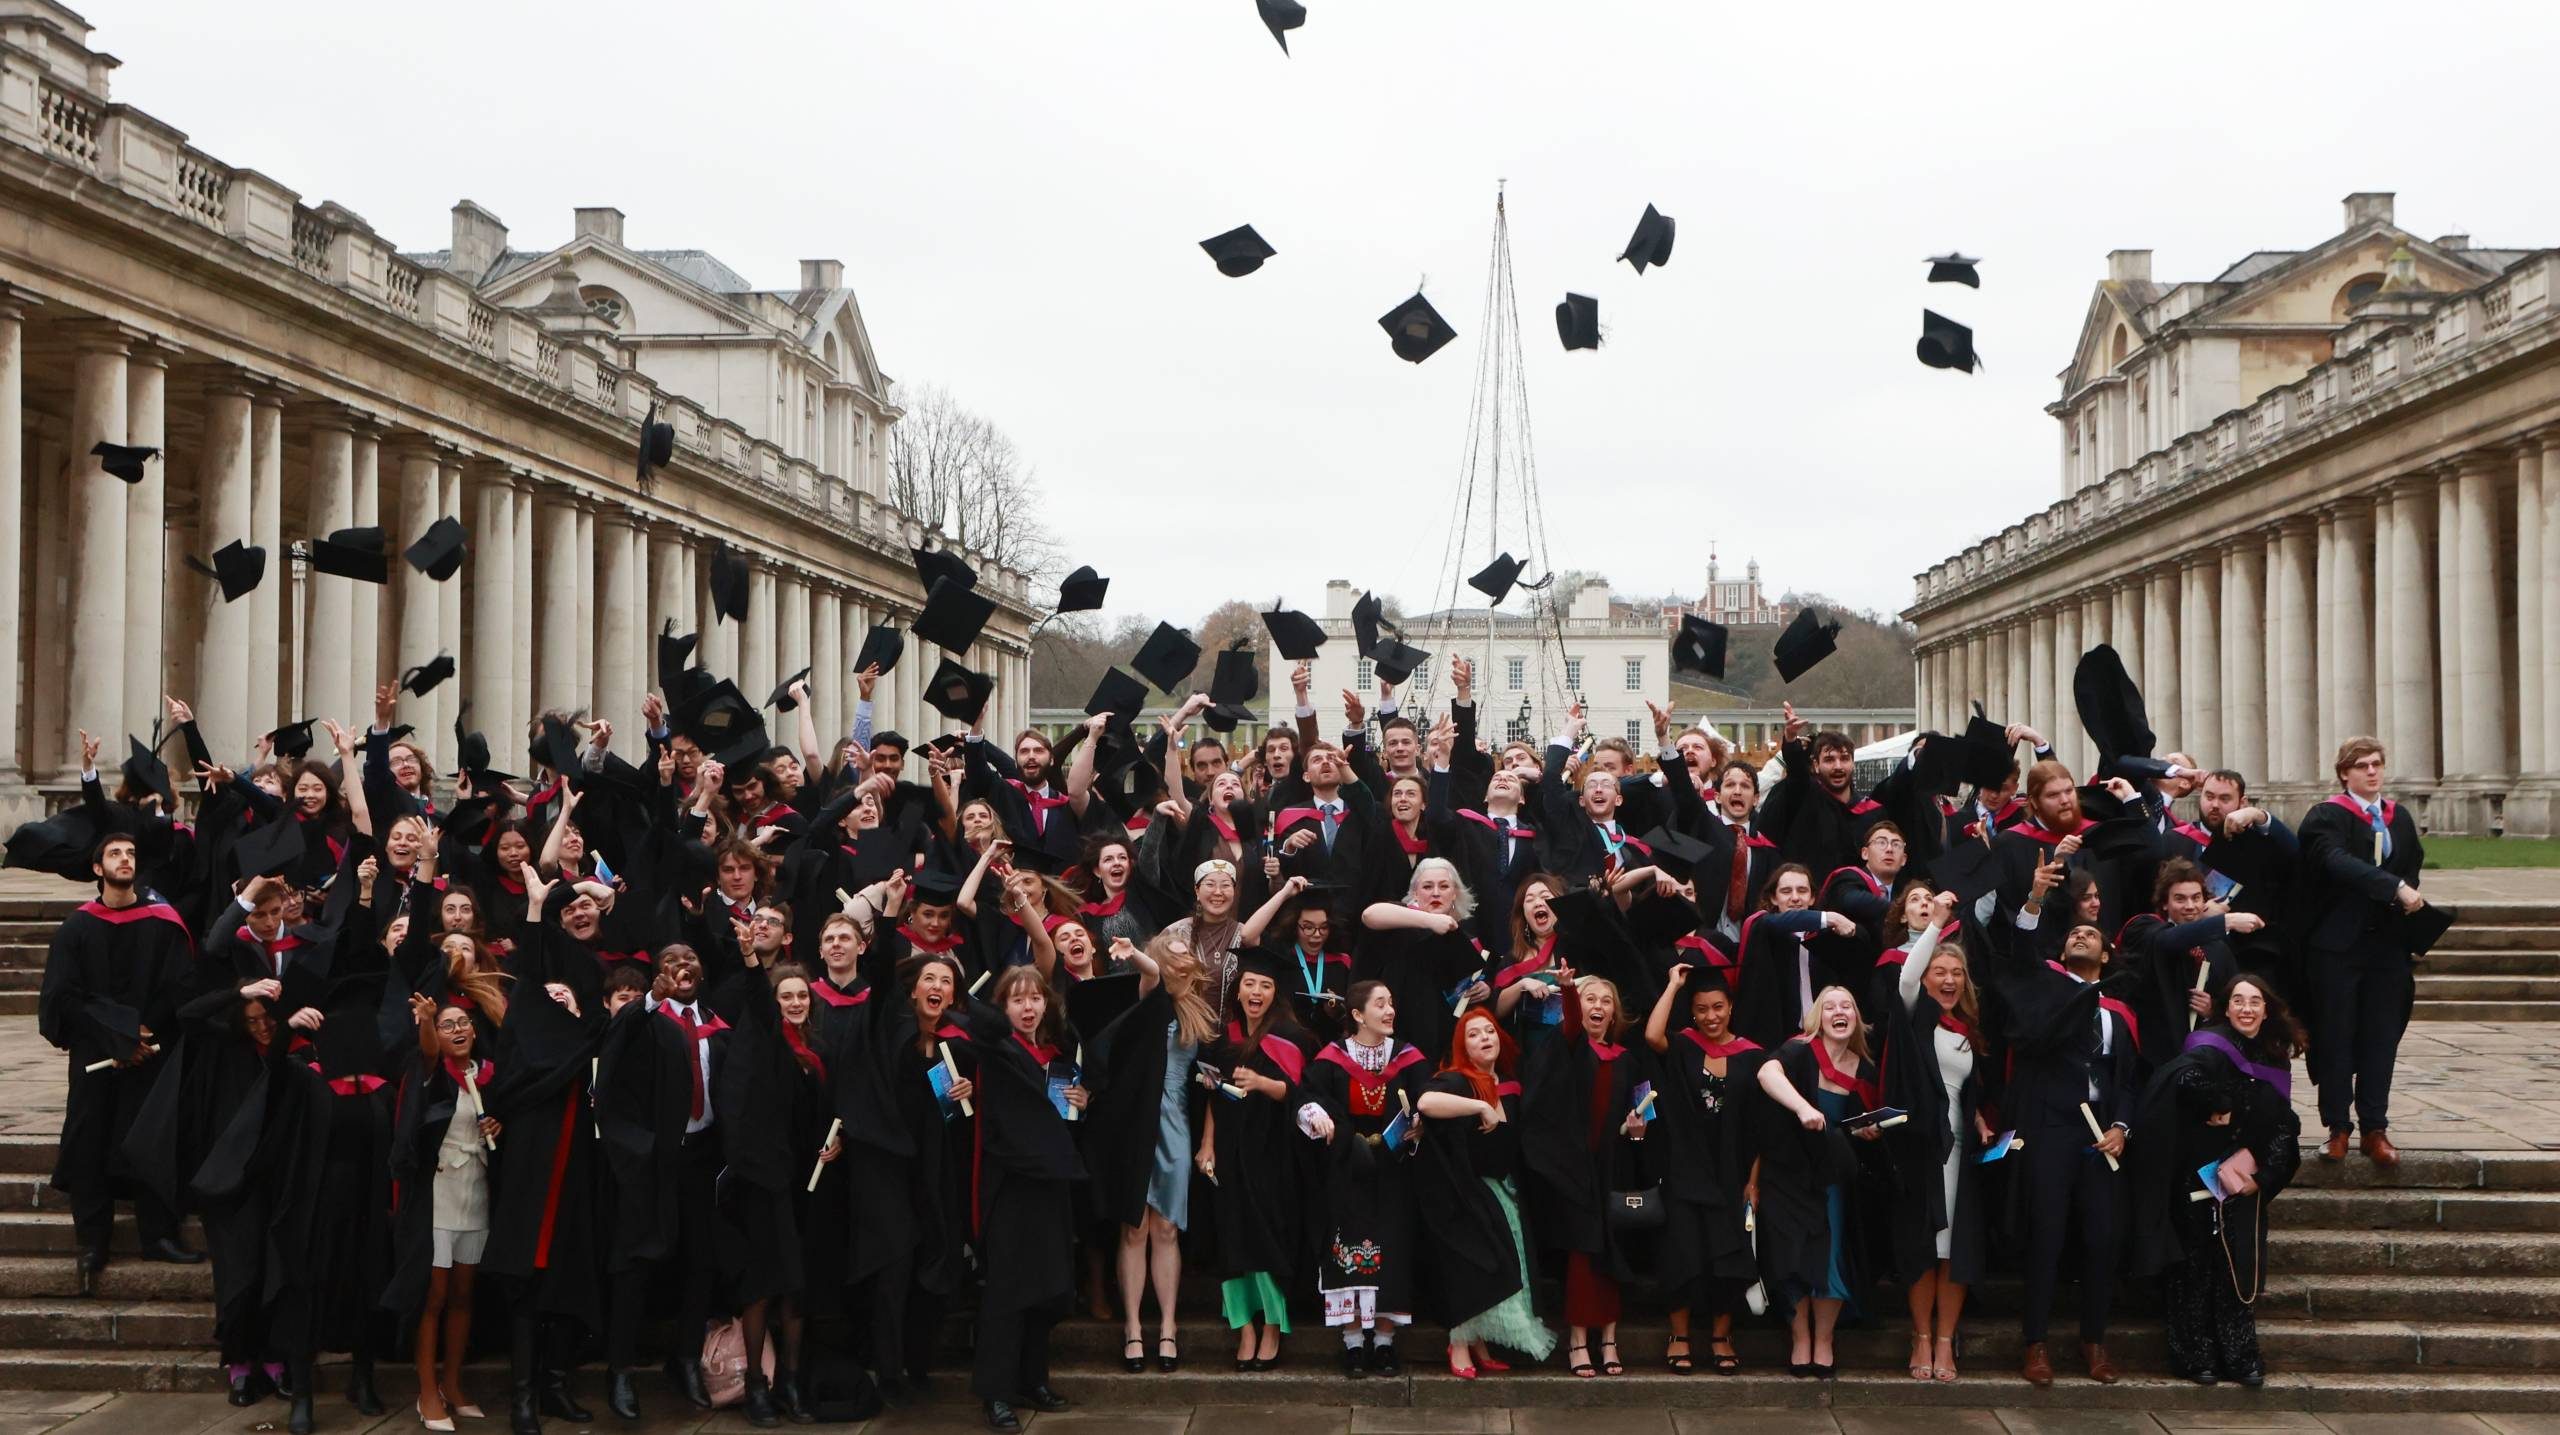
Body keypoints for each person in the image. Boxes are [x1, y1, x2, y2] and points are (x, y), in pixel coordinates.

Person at [2128, 973, 2305, 1388]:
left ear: (2266, 1009)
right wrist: (2221, 1101)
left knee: (2235, 1270)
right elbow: (2183, 1080)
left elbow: (2284, 1124)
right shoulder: (2208, 1046)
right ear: (2226, 1008)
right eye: (2238, 1001)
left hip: (2243, 1182)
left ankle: (2241, 1355)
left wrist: (2265, 1176)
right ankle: (2195, 1354)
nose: (2246, 1009)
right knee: (2194, 1269)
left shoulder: (2275, 1057)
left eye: (2254, 1002)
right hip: (2198, 1175)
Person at [39, 832, 199, 1272]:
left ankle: (160, 1235)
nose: (125, 859)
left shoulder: (164, 923)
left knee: (153, 1142)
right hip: (97, 1057)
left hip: (152, 1053)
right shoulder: (77, 928)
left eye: (130, 853)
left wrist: (142, 1035)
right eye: (114, 854)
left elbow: (180, 987)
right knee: (89, 1143)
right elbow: (62, 998)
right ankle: (92, 1242)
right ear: (97, 869)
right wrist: (120, 1036)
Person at [1998, 917, 2140, 1387]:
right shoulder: (2047, 996)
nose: (2080, 935)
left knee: (2102, 1237)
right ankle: (2035, 1343)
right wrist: (2036, 903)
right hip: (2052, 1129)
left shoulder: (2118, 1014)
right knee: (2047, 1234)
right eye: (2072, 932)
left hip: (2102, 1136)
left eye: (2092, 935)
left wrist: (2122, 1126)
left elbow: (2127, 1078)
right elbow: (2018, 958)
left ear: (2105, 957)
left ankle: (2094, 1341)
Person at [956, 965, 1087, 1432]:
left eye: (1035, 999)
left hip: (1049, 1186)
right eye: (1018, 1000)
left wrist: (1081, 1102)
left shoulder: (1056, 1057)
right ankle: (995, 1395)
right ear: (1003, 1007)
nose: (1029, 1007)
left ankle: (1033, 1380)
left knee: (1047, 1289)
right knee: (1008, 1294)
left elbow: (1062, 1121)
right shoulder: (993, 1051)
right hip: (1010, 1188)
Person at [1087, 931, 1218, 1375]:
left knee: (1167, 1229)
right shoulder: (1149, 1001)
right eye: (1174, 956)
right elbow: (1150, 974)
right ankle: (1131, 1329)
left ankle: (1167, 1326)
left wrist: (1207, 1142)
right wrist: (1138, 954)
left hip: (1177, 1127)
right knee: (1133, 1229)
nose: (1182, 964)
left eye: (1187, 956)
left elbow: (1208, 1086)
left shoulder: (1199, 1013)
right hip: (1134, 1127)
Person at [2295, 736, 2427, 1167]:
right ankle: (2337, 1128)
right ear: (2344, 773)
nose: (2372, 772)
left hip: (2386, 949)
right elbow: (2333, 861)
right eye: (2362, 765)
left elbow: (2412, 867)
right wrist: (2393, 887)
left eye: (2377, 764)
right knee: (2335, 1037)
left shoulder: (2399, 818)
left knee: (2380, 1038)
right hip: (2336, 947)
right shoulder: (2326, 816)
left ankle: (2375, 1128)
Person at [1412, 1006, 1555, 1379]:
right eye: (1473, 1034)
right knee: (1476, 1268)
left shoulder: (1508, 1084)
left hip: (1502, 1191)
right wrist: (1479, 1106)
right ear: (1463, 1046)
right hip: (1465, 1194)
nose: (1484, 1038)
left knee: (1509, 1268)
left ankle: (1479, 1342)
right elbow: (1426, 1103)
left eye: (1489, 1031)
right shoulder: (1459, 1081)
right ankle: (1459, 1342)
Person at [1878, 897, 1987, 1383]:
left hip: (1963, 1153)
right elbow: (1903, 977)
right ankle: (1921, 1336)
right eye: (1938, 971)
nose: (1947, 980)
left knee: (1955, 1250)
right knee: (1924, 1246)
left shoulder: (1970, 1031)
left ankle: (1946, 1341)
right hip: (1924, 1150)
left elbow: (1968, 1089)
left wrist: (1982, 1116)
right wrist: (1938, 922)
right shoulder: (1917, 1018)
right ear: (1925, 979)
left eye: (1956, 973)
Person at [1297, 980, 1430, 1377]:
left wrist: (1422, 1126)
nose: (1390, 1011)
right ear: (1357, 1015)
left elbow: (1427, 1097)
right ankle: (1353, 1342)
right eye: (1380, 1004)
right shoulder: (1332, 1058)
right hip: (1346, 1169)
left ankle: (1385, 1342)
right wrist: (1314, 1114)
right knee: (1348, 1249)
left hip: (1395, 1170)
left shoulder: (1408, 1057)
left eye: (1392, 1003)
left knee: (1393, 1247)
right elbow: (1306, 1099)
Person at [1523, 973, 1650, 1379]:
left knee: (1612, 1253)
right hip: (1574, 1170)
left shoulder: (1626, 1059)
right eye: (1589, 999)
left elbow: (1641, 1114)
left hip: (1612, 1169)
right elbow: (1573, 1029)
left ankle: (1608, 1339)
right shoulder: (1568, 1048)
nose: (1597, 1007)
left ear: (1615, 1012)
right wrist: (1567, 991)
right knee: (1582, 1257)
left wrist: (1638, 1128)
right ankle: (1578, 1340)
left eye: (1605, 1001)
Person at [1752, 985, 1883, 1378]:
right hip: (1790, 1175)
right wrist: (1803, 1106)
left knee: (1829, 1257)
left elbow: (1850, 1127)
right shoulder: (1799, 1052)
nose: (1839, 1012)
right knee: (1793, 1255)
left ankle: (1823, 1338)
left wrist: (1865, 1132)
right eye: (1830, 1006)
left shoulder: (1864, 1069)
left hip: (1832, 1180)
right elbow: (1765, 1072)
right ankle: (1800, 1338)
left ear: (1856, 1018)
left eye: (1847, 1005)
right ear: (1818, 1017)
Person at [386, 996, 501, 1431]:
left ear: (474, 1031)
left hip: (475, 1191)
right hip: (437, 1195)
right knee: (432, 1298)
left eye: (463, 1023)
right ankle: (427, 1391)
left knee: (463, 1296)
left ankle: (453, 1384)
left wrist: (497, 1123)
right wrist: (429, 1021)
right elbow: (429, 1050)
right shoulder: (432, 1074)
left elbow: (495, 1120)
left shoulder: (487, 1076)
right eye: (448, 1024)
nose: (457, 1030)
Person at [1640, 965, 1762, 1375]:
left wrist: (1753, 1180)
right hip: (1685, 1169)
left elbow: (1761, 1128)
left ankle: (1721, 1336)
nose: (1711, 1017)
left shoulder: (1753, 1056)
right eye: (1702, 1010)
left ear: (1731, 1008)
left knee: (1729, 1256)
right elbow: (1652, 1036)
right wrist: (1673, 983)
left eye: (1718, 1008)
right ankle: (1679, 1337)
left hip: (1732, 1171)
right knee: (1683, 1253)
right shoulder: (1685, 1047)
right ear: (1691, 1013)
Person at [1199, 949, 1314, 1371]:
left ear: (1274, 993)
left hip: (1273, 1151)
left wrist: (1264, 1082)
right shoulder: (1220, 1038)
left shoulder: (1290, 1037)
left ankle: (1271, 1327)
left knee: (1267, 1234)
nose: (1257, 991)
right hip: (1229, 1150)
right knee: (1233, 1235)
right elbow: (1210, 1096)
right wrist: (1207, 1145)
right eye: (1250, 983)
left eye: (1265, 986)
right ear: (1238, 990)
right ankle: (1244, 1326)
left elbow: (1301, 1097)